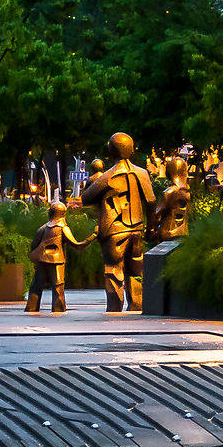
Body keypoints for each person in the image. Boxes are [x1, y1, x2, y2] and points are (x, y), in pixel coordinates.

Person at [80, 132, 156, 312]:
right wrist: (150, 228)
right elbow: (151, 202)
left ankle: (114, 310)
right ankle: (137, 306)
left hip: (114, 230)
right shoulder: (142, 173)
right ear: (131, 149)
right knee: (137, 271)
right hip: (137, 228)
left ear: (110, 151)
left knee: (113, 270)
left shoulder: (106, 177)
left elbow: (86, 198)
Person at [24, 201, 88, 314]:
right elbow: (78, 245)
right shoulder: (63, 228)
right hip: (57, 261)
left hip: (41, 260)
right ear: (63, 214)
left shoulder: (42, 228)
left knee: (36, 285)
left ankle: (32, 307)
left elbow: (33, 246)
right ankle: (58, 308)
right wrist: (93, 236)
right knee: (58, 286)